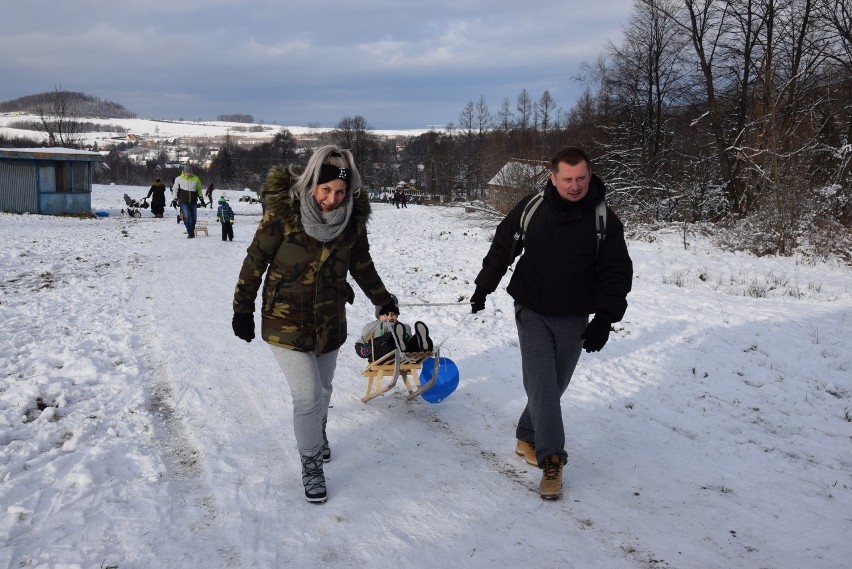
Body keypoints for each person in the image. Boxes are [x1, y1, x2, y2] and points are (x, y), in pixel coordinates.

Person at [231, 145, 397, 504]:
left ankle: (318, 434)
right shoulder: (283, 214)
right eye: (325, 191)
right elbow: (255, 260)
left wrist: (383, 299)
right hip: (285, 321)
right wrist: (242, 307)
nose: (332, 200)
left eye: (339, 192)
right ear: (310, 185)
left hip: (329, 318)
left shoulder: (351, 221)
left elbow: (362, 264)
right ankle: (311, 466)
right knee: (306, 396)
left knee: (323, 390)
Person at [470, 147, 633, 500]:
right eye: (567, 179)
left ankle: (526, 434)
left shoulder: (604, 219)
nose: (575, 186)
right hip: (532, 308)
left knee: (554, 385)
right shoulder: (533, 208)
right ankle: (552, 460)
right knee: (543, 382)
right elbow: (503, 245)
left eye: (581, 178)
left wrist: (605, 317)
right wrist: (484, 286)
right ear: (553, 178)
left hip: (574, 313)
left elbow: (617, 272)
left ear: (590, 176)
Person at [354, 297, 433, 361]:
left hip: (404, 355)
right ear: (378, 315)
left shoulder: (404, 327)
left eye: (393, 314)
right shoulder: (372, 326)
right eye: (386, 315)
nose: (390, 317)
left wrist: (413, 341)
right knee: (389, 337)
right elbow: (360, 343)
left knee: (411, 341)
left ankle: (421, 342)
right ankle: (397, 340)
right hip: (380, 355)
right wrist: (365, 351)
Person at [173, 164, 205, 238]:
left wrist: (201, 199)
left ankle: (191, 230)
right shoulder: (179, 179)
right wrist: (174, 199)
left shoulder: (196, 178)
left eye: (189, 172)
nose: (188, 174)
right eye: (187, 172)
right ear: (184, 172)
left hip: (193, 201)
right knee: (186, 217)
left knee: (194, 218)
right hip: (183, 201)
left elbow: (199, 189)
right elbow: (175, 190)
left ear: (191, 172)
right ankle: (190, 232)